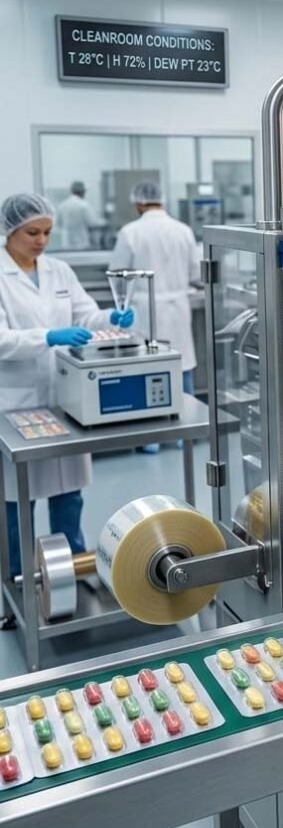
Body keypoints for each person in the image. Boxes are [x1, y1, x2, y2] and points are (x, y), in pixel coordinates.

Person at [0, 193, 134, 577]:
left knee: (68, 493)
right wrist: (48, 336)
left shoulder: (58, 270)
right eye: (32, 232)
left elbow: (85, 313)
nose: (41, 240)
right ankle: (17, 581)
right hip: (15, 401)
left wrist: (112, 316)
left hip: (64, 398)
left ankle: (70, 574)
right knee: (15, 501)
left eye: (47, 232)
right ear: (11, 230)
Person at [110, 180, 201, 453]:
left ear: (138, 202)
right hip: (177, 305)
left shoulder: (130, 232)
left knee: (146, 371)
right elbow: (196, 274)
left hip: (143, 309)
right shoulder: (183, 230)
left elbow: (117, 274)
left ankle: (150, 441)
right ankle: (185, 433)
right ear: (162, 200)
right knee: (181, 366)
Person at [55, 181, 100, 251]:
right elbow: (93, 224)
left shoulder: (62, 205)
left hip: (66, 244)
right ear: (83, 192)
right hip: (82, 243)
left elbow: (59, 224)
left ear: (71, 191)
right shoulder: (84, 205)